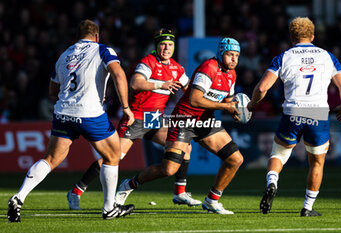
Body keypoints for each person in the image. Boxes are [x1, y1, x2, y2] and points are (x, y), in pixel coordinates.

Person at [7, 20, 135, 222]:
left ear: (77, 36)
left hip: (63, 113)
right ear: (97, 36)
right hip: (90, 112)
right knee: (113, 155)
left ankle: (19, 196)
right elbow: (119, 74)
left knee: (50, 160)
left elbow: (52, 91)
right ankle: (109, 208)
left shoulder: (64, 55)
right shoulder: (103, 50)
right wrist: (126, 108)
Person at [66, 28, 201, 210]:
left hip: (154, 119)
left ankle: (180, 193)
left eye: (170, 45)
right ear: (157, 46)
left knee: (185, 146)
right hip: (135, 117)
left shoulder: (177, 68)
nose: (166, 48)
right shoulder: (148, 62)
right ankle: (75, 192)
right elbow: (135, 83)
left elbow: (190, 92)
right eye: (163, 44)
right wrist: (162, 84)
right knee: (112, 157)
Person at [114, 37, 244, 215]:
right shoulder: (209, 67)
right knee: (168, 169)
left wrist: (236, 110)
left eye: (237, 55)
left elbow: (228, 99)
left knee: (235, 159)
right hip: (183, 120)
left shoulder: (232, 74)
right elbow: (195, 99)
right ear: (221, 53)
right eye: (230, 55)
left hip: (204, 121)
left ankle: (212, 200)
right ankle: (129, 184)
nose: (234, 59)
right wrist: (225, 106)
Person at [247, 17, 341, 217]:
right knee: (317, 162)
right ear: (312, 36)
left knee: (278, 154)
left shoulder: (284, 57)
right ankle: (307, 208)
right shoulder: (327, 56)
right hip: (318, 113)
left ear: (292, 37)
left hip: (292, 112)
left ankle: (272, 182)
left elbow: (262, 87)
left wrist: (252, 105)